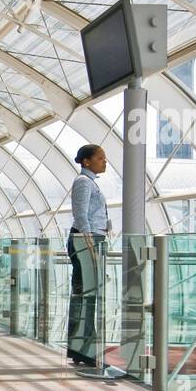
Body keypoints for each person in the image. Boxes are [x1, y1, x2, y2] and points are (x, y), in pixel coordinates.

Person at [67, 144, 110, 367]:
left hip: (91, 240)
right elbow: (81, 215)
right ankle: (84, 350)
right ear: (86, 161)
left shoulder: (90, 183)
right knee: (86, 297)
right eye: (101, 158)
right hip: (86, 241)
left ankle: (81, 349)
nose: (105, 161)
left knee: (85, 296)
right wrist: (90, 247)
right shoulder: (84, 183)